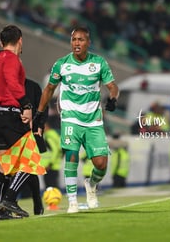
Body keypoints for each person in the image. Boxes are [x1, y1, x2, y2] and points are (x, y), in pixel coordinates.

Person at [33, 27, 119, 213]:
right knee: (71, 155)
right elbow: (49, 89)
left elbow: (112, 86)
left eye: (81, 40)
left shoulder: (98, 63)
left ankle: (91, 184)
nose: (77, 43)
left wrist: (112, 99)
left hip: (93, 120)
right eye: (74, 40)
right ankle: (72, 201)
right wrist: (39, 113)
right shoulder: (62, 64)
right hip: (70, 117)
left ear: (88, 42)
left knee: (101, 164)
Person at [0, 25, 45, 218]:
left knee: (4, 167)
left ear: (1, 42)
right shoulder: (12, 59)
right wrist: (25, 105)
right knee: (30, 161)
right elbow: (11, 81)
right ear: (20, 40)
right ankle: (9, 198)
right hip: (12, 117)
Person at [0, 78, 47, 220]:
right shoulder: (0, 87)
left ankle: (1, 210)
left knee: (13, 169)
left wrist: (39, 125)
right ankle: (7, 203)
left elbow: (43, 105)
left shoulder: (31, 86)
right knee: (25, 166)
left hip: (18, 130)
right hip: (14, 131)